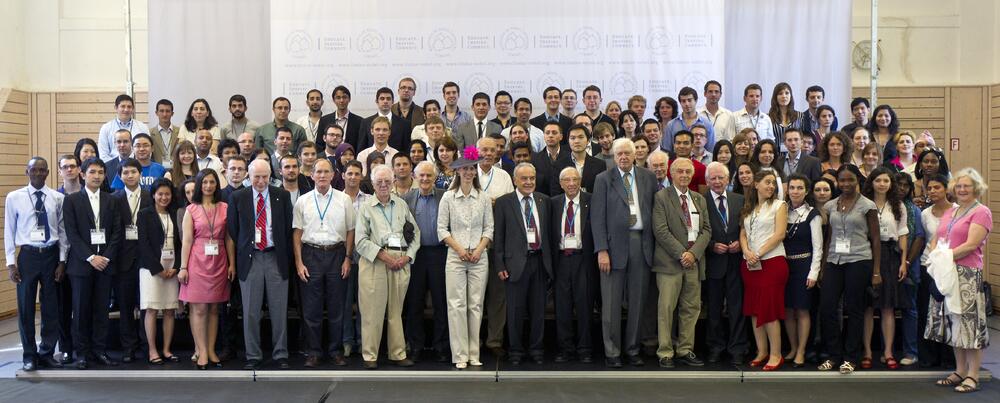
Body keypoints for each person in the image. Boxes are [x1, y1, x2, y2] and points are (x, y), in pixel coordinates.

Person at [592, 138, 657, 368]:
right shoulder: (603, 179)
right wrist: (601, 250)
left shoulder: (648, 177)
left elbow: (655, 212)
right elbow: (597, 218)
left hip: (641, 243)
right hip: (613, 247)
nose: (623, 157)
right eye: (619, 153)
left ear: (635, 155)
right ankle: (612, 351)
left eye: (627, 153)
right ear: (613, 155)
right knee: (610, 302)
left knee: (638, 302)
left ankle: (632, 349)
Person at [926, 168, 992, 393]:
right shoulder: (951, 212)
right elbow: (936, 238)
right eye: (959, 186)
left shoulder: (981, 212)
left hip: (966, 273)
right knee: (953, 322)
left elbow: (971, 245)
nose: (962, 189)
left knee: (969, 324)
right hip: (946, 273)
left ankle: (973, 375)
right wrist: (936, 255)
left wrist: (942, 257)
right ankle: (959, 370)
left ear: (976, 188)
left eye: (967, 186)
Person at [227, 160, 294, 370]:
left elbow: (287, 229)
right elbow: (234, 230)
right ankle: (253, 355)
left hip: (275, 257)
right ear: (248, 175)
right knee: (251, 311)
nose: (261, 181)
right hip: (251, 258)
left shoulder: (282, 195)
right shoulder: (238, 197)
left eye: (265, 176)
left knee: (278, 309)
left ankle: (281, 353)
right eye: (257, 177)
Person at [5, 157, 68, 371]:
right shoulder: (14, 198)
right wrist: (11, 263)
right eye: (34, 170)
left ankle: (47, 352)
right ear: (27, 172)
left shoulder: (57, 198)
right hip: (28, 257)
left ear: (48, 172)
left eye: (42, 170)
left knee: (51, 309)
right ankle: (29, 355)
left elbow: (62, 232)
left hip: (51, 256)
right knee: (26, 308)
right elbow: (9, 231)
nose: (39, 174)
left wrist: (62, 261)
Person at [355, 165, 420, 369]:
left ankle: (397, 353)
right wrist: (384, 256)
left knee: (396, 311)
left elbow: (416, 234)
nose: (383, 185)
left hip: (400, 264)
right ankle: (370, 355)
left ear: (393, 182)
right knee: (372, 311)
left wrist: (407, 257)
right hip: (375, 263)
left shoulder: (401, 205)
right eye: (379, 182)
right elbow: (360, 241)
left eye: (387, 181)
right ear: (372, 184)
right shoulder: (365, 207)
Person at [818, 164, 881, 374]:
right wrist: (822, 267)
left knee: (855, 310)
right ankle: (833, 355)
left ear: (858, 180)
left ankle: (851, 357)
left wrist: (876, 271)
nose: (845, 184)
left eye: (850, 180)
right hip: (834, 260)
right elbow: (828, 238)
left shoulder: (868, 205)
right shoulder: (831, 205)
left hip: (859, 260)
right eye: (842, 180)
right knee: (827, 308)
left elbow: (876, 239)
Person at [291, 158, 354, 368]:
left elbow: (350, 230)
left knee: (337, 307)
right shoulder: (303, 201)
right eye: (318, 172)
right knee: (312, 309)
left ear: (333, 175)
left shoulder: (344, 199)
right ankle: (314, 352)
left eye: (326, 172)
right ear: (312, 174)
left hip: (337, 254)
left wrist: (347, 258)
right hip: (311, 255)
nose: (322, 175)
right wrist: (299, 263)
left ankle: (335, 351)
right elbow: (297, 233)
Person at [651, 158, 711, 368]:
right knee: (666, 308)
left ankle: (685, 349)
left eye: (688, 172)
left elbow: (706, 231)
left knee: (691, 308)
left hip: (693, 263)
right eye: (680, 172)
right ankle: (665, 351)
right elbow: (660, 230)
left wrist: (692, 254)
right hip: (669, 263)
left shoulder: (698, 199)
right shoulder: (661, 197)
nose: (684, 175)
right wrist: (681, 254)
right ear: (671, 174)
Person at [434, 153, 493, 369]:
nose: (468, 172)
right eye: (465, 168)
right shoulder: (448, 197)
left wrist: (478, 249)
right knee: (456, 305)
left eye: (472, 168)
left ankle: (474, 353)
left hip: (479, 255)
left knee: (475, 305)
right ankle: (459, 355)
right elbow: (441, 229)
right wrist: (459, 249)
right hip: (455, 256)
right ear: (457, 171)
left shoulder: (483, 197)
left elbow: (489, 228)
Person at [63, 157, 122, 369]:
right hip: (81, 266)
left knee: (100, 311)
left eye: (100, 172)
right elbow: (72, 234)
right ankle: (82, 353)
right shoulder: (71, 201)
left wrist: (105, 257)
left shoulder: (112, 200)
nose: (96, 176)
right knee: (80, 311)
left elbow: (117, 232)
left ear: (105, 175)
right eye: (92, 172)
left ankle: (100, 350)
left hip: (105, 265)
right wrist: (91, 257)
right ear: (83, 174)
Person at [493, 163, 552, 365]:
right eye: (524, 178)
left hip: (540, 262)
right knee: (515, 311)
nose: (528, 182)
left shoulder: (544, 201)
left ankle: (537, 349)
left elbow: (549, 235)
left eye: (532, 178)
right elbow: (498, 236)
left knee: (538, 311)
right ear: (515, 180)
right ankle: (515, 350)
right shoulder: (504, 203)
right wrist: (500, 265)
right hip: (514, 265)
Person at [178, 169, 234, 370]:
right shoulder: (191, 209)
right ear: (199, 185)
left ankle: (211, 350)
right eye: (205, 182)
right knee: (199, 308)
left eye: (212, 182)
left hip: (219, 260)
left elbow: (229, 238)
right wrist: (183, 267)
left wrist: (232, 264)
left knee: (214, 308)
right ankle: (201, 351)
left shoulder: (225, 207)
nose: (209, 186)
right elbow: (186, 240)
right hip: (197, 260)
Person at [858, 167, 910, 370]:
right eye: (878, 180)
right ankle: (868, 352)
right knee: (867, 307)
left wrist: (904, 261)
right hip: (867, 253)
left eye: (886, 181)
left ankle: (888, 352)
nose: (882, 184)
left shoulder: (898, 206)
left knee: (888, 307)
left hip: (890, 255)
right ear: (871, 182)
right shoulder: (863, 204)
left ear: (891, 184)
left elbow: (903, 233)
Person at [739, 169, 788, 371]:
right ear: (756, 184)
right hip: (750, 264)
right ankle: (762, 351)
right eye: (767, 182)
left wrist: (757, 254)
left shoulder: (779, 205)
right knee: (754, 309)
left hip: (772, 262)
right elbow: (742, 233)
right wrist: (747, 251)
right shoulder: (749, 208)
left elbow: (779, 235)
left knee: (769, 310)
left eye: (773, 183)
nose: (770, 186)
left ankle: (776, 354)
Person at [401, 161, 449, 363]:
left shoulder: (445, 197)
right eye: (421, 175)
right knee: (415, 303)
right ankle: (416, 345)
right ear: (414, 176)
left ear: (435, 176)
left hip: (440, 254)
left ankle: (441, 346)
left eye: (429, 175)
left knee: (441, 303)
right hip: (416, 256)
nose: (425, 179)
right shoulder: (406, 199)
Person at [110, 158, 154, 363]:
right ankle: (129, 347)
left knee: (146, 306)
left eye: (133, 172)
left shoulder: (149, 196)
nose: (130, 176)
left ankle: (147, 346)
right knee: (126, 307)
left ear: (140, 174)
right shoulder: (114, 198)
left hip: (146, 258)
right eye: (125, 172)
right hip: (123, 260)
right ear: (120, 176)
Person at [703, 162, 747, 365]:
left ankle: (737, 348)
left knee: (737, 308)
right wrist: (712, 245)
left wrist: (741, 241)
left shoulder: (740, 200)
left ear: (728, 179)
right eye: (713, 178)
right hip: (713, 263)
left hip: (736, 262)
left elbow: (747, 227)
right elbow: (696, 230)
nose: (717, 181)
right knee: (713, 309)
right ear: (707, 181)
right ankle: (715, 347)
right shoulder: (701, 201)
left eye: (721, 177)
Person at [550, 167, 595, 363]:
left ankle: (585, 348)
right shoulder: (553, 204)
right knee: (562, 306)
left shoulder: (591, 201)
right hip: (561, 260)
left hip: (583, 259)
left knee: (585, 305)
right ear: (561, 184)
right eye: (566, 180)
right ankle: (565, 348)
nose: (571, 183)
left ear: (580, 181)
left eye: (574, 179)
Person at [136, 178, 181, 365]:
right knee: (152, 309)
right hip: (151, 269)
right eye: (160, 194)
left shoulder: (175, 213)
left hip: (172, 269)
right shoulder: (144, 214)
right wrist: (158, 269)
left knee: (170, 309)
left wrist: (176, 266)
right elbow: (143, 244)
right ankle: (152, 350)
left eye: (167, 194)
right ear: (153, 195)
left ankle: (167, 349)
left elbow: (181, 243)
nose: (164, 197)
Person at [782, 174, 822, 367]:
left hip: (804, 266)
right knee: (788, 310)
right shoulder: (782, 211)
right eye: (792, 188)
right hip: (784, 267)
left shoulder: (813, 214)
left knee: (803, 310)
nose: (795, 191)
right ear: (787, 190)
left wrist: (813, 273)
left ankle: (802, 350)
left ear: (806, 191)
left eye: (799, 188)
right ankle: (792, 347)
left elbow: (818, 247)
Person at [918, 174, 955, 368]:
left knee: (948, 312)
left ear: (947, 189)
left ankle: (949, 357)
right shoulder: (925, 214)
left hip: (950, 267)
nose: (932, 191)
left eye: (937, 187)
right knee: (928, 311)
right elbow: (924, 239)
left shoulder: (958, 211)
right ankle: (929, 356)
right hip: (929, 266)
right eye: (929, 188)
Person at [895, 172, 925, 367]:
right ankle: (887, 351)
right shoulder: (885, 208)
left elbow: (919, 238)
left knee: (909, 309)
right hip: (888, 264)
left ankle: (910, 351)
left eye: (906, 185)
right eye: (898, 184)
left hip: (909, 266)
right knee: (886, 309)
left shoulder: (914, 210)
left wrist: (906, 261)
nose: (902, 188)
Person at [341, 160, 369, 357]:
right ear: (343, 175)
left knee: (364, 303)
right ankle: (346, 341)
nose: (353, 177)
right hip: (342, 258)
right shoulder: (335, 199)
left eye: (356, 173)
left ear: (362, 176)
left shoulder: (369, 200)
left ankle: (363, 340)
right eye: (349, 173)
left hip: (366, 258)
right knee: (344, 302)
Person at [357, 87, 413, 152]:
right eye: (382, 99)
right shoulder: (366, 123)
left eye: (388, 99)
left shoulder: (404, 124)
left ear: (393, 102)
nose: (385, 101)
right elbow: (361, 148)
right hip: (372, 160)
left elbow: (406, 150)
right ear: (376, 101)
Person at [552, 124, 604, 194]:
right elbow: (556, 192)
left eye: (581, 137)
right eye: (573, 138)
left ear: (588, 141)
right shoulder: (558, 165)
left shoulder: (600, 165)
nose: (576, 141)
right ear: (568, 141)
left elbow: (602, 191)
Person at [97, 94, 150, 161]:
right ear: (116, 108)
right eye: (123, 106)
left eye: (129, 107)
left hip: (137, 167)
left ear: (133, 109)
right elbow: (103, 155)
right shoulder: (106, 128)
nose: (126, 109)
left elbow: (148, 151)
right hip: (113, 168)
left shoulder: (142, 127)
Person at [664, 87, 715, 152]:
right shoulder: (671, 125)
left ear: (696, 101)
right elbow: (667, 151)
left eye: (689, 100)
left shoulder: (707, 124)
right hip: (678, 161)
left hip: (701, 161)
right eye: (683, 101)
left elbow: (711, 150)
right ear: (680, 103)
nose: (687, 104)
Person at [316, 86, 364, 151]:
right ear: (334, 100)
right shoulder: (324, 120)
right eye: (338, 98)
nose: (341, 100)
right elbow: (319, 144)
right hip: (328, 159)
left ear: (349, 99)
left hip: (350, 158)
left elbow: (361, 145)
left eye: (344, 97)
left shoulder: (360, 121)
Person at [768, 82, 804, 150]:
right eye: (780, 93)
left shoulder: (800, 116)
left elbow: (803, 138)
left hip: (795, 156)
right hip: (775, 157)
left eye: (787, 93)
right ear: (775, 97)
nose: (784, 96)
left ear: (791, 96)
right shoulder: (768, 117)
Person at [151, 99, 180, 166]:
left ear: (172, 113)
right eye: (161, 111)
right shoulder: (150, 133)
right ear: (156, 113)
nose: (164, 114)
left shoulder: (180, 132)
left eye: (167, 111)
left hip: (177, 170)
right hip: (157, 171)